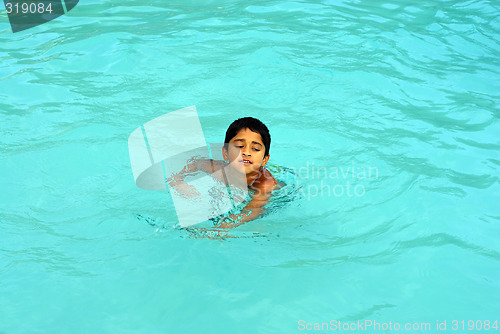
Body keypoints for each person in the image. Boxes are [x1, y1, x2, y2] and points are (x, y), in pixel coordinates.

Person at [168, 117, 278, 229]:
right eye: (240, 146)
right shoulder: (217, 168)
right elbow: (194, 163)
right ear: (225, 153)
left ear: (265, 159)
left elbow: (254, 210)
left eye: (255, 148)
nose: (246, 152)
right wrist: (178, 182)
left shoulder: (265, 183)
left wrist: (223, 228)